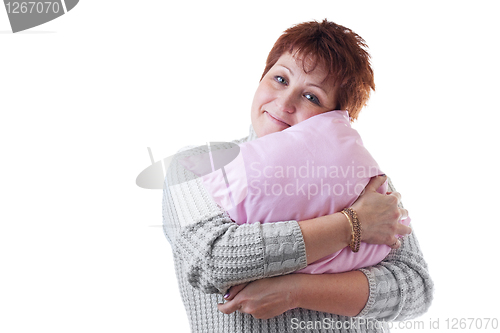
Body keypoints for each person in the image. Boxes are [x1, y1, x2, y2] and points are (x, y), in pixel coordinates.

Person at [163, 19, 433, 332]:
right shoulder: (197, 164)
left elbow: (415, 287)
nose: (285, 102)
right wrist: (351, 224)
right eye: (279, 79)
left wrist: (295, 291)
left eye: (311, 97)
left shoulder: (362, 180)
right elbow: (213, 260)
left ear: (336, 119)